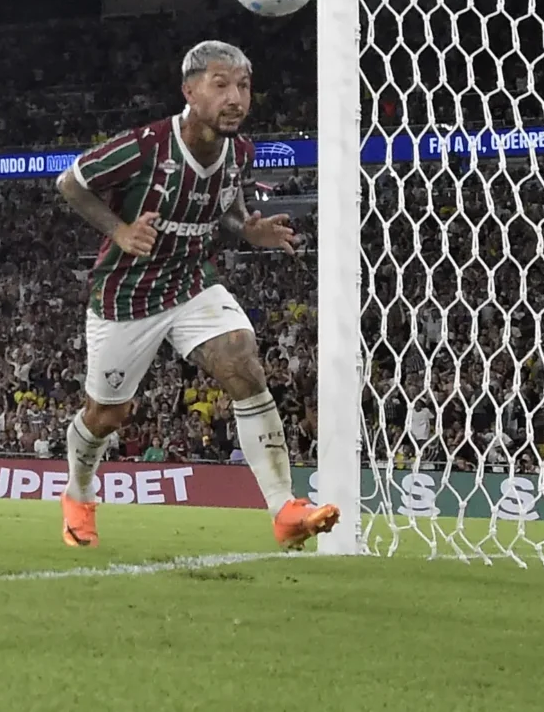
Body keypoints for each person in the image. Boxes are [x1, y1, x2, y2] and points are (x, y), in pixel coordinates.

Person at [53, 40, 340, 550]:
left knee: (241, 359)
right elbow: (71, 182)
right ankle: (77, 495)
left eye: (244, 86)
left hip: (190, 281)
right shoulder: (145, 146)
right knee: (107, 415)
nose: (236, 98)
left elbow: (226, 207)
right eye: (221, 84)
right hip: (127, 293)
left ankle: (284, 509)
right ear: (189, 90)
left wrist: (246, 230)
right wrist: (119, 230)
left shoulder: (241, 152)